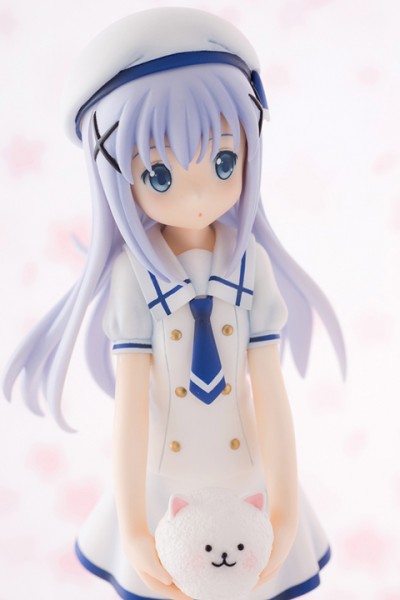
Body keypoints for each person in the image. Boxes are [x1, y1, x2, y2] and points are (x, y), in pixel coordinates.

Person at [2, 8, 346, 600]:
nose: (198, 195)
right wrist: (135, 526)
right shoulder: (134, 281)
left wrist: (285, 510)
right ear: (115, 176)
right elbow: (131, 411)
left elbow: (270, 393)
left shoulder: (250, 268)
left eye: (222, 162)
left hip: (248, 480)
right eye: (159, 175)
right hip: (166, 485)